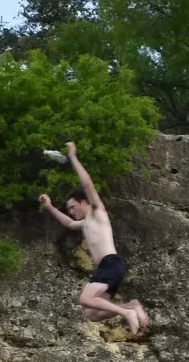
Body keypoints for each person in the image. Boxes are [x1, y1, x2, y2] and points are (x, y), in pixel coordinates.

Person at [38, 141, 149, 334]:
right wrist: (49, 207)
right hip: (108, 267)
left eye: (73, 207)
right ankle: (131, 306)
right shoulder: (85, 222)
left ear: (84, 202)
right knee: (91, 313)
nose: (71, 211)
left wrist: (72, 157)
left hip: (110, 264)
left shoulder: (97, 212)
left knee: (85, 299)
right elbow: (69, 224)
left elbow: (87, 184)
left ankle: (127, 313)